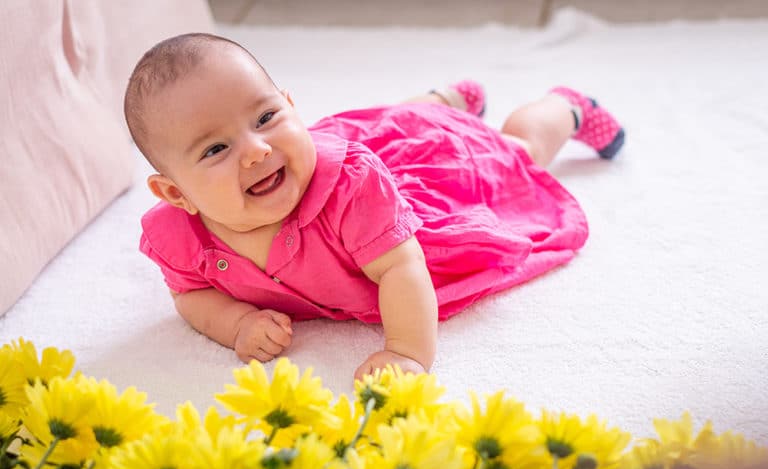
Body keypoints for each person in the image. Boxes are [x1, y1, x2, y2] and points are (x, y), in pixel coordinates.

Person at [125, 33, 624, 380]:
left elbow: (401, 266)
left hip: (413, 192)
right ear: (176, 194)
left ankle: (565, 106)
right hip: (370, 161)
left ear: (291, 106)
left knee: (509, 155)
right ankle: (440, 101)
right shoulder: (180, 239)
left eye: (266, 115)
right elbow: (190, 296)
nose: (256, 149)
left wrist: (406, 351)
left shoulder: (351, 188)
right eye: (215, 150)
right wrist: (235, 322)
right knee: (395, 127)